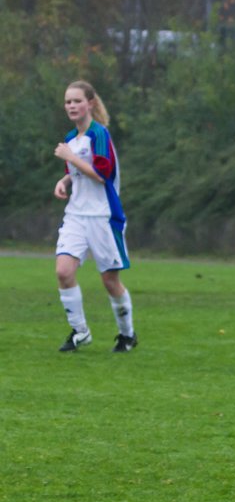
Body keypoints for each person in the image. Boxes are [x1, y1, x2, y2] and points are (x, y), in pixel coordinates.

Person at [53, 80, 137, 353]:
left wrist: (70, 159)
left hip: (103, 216)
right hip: (76, 215)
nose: (72, 106)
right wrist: (65, 181)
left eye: (77, 101)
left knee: (109, 281)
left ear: (90, 103)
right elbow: (79, 172)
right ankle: (80, 332)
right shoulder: (70, 139)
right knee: (63, 271)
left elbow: (102, 174)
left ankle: (127, 335)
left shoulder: (99, 135)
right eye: (68, 102)